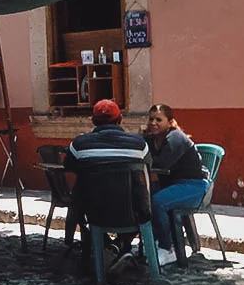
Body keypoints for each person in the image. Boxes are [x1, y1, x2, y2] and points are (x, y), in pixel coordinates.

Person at [63, 99, 153, 269]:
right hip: (132, 212)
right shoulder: (139, 144)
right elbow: (148, 165)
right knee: (144, 204)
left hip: (96, 212)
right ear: (120, 120)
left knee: (82, 194)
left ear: (93, 121)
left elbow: (69, 166)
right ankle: (120, 244)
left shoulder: (80, 144)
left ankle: (108, 248)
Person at [145, 103, 209, 266]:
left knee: (157, 202)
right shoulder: (153, 139)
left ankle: (168, 248)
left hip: (193, 186)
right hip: (172, 184)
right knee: (139, 195)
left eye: (159, 119)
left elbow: (161, 164)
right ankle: (150, 241)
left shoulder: (176, 138)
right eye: (151, 119)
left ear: (170, 122)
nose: (153, 123)